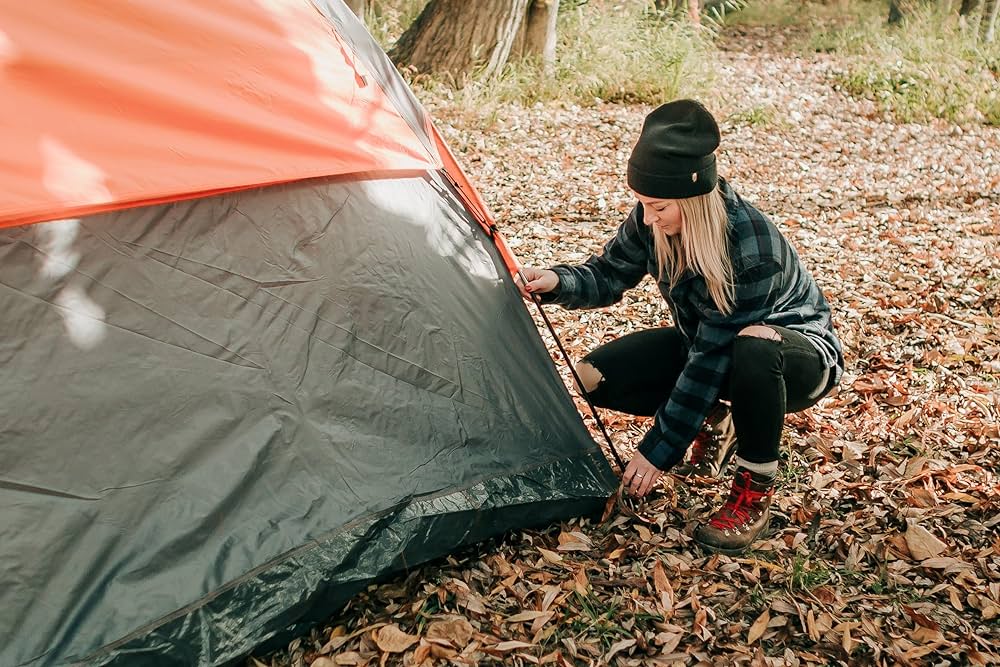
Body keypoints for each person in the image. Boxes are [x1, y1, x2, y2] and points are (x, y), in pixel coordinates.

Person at [515, 99, 844, 554]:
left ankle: (754, 491)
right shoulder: (651, 219)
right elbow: (609, 274)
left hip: (794, 360)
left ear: (693, 198)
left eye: (658, 207)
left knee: (754, 345)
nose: (649, 218)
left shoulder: (751, 246)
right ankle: (716, 421)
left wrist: (658, 449)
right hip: (709, 348)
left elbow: (712, 359)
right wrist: (555, 281)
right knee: (594, 379)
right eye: (643, 205)